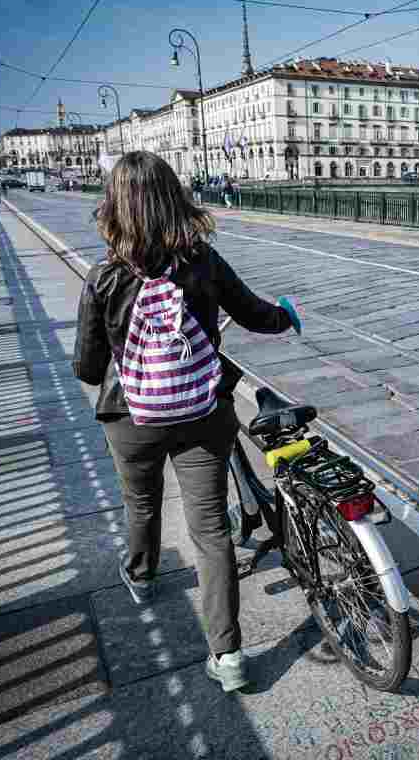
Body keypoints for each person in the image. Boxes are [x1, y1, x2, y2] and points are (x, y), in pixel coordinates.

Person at [72, 150, 300, 693]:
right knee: (211, 533)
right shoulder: (204, 262)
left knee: (142, 504)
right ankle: (228, 657)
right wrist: (286, 314)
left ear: (114, 207)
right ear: (176, 197)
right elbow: (255, 314)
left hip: (131, 419)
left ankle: (142, 577)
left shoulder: (103, 276)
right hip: (202, 412)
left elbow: (85, 366)